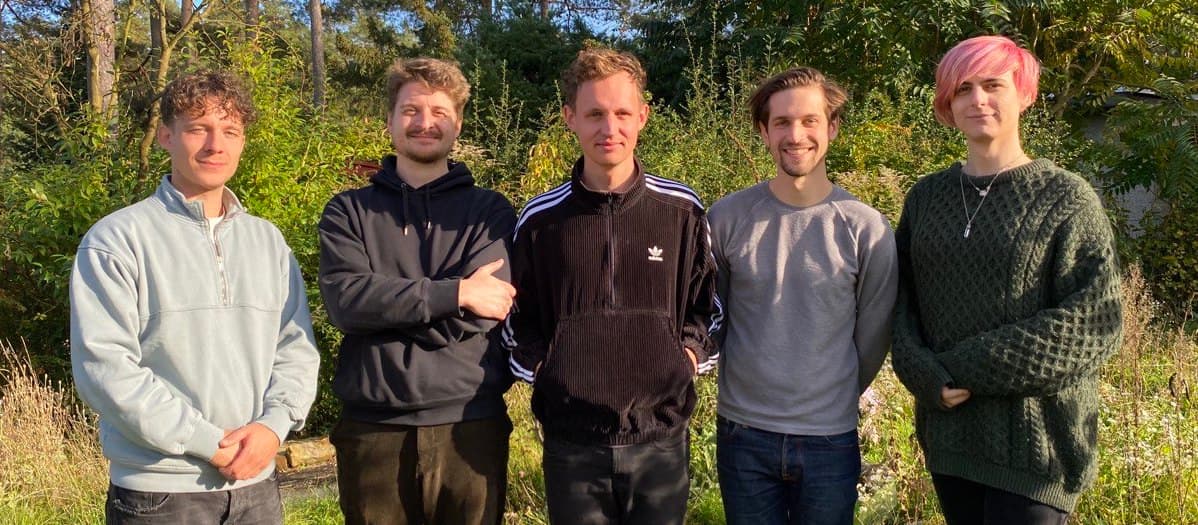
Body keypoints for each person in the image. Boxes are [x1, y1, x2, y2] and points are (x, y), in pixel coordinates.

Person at [890, 35, 1123, 524]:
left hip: (1037, 448)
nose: (977, 100)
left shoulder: (1066, 197)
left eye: (993, 85)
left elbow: (1097, 320)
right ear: (947, 104)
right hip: (951, 439)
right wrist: (923, 373)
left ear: (1024, 93)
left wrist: (964, 368)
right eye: (962, 89)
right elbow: (900, 303)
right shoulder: (926, 198)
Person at [70, 70, 321, 524]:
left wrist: (273, 426)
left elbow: (295, 348)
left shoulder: (269, 243)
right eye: (197, 128)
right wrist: (208, 441)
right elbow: (104, 369)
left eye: (230, 131)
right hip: (159, 496)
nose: (215, 145)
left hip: (258, 492)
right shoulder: (117, 240)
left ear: (243, 142)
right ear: (167, 136)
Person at [503, 46, 720, 525]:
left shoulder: (682, 211)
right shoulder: (540, 221)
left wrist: (686, 354)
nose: (610, 128)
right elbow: (516, 314)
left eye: (622, 113)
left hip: (660, 440)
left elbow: (709, 305)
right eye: (595, 113)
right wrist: (547, 366)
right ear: (570, 118)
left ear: (642, 116)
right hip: (572, 444)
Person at [318, 57, 517, 525]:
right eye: (410, 111)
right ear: (389, 120)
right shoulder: (349, 212)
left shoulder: (490, 211)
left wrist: (388, 311)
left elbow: (486, 311)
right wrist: (455, 293)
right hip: (373, 431)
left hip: (471, 427)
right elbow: (347, 303)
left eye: (439, 112)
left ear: (458, 123)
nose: (425, 123)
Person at [707, 66, 898, 525]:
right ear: (763, 131)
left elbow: (874, 335)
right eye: (782, 122)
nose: (797, 135)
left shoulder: (865, 228)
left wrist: (830, 395)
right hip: (744, 432)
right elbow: (714, 316)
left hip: (830, 438)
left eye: (810, 120)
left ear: (832, 127)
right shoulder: (726, 219)